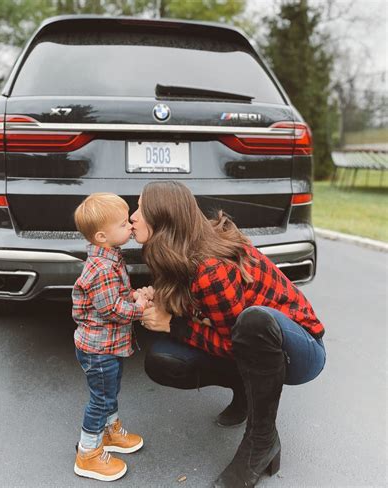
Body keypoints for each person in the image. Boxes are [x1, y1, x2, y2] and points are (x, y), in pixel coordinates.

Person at [130, 181, 326, 488]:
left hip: (302, 350)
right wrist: (157, 297)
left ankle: (262, 441)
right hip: (253, 343)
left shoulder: (209, 268)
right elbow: (209, 316)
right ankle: (246, 391)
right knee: (162, 359)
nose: (133, 216)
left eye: (140, 208)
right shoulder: (177, 250)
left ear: (163, 218)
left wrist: (173, 325)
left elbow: (237, 343)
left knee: (253, 322)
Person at [72, 192, 150, 482]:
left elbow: (115, 296)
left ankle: (110, 431)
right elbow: (111, 309)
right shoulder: (102, 268)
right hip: (99, 349)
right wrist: (139, 307)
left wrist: (131, 295)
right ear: (102, 236)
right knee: (100, 399)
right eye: (122, 224)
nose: (130, 225)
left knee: (109, 392)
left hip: (107, 346)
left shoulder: (111, 257)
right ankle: (88, 453)